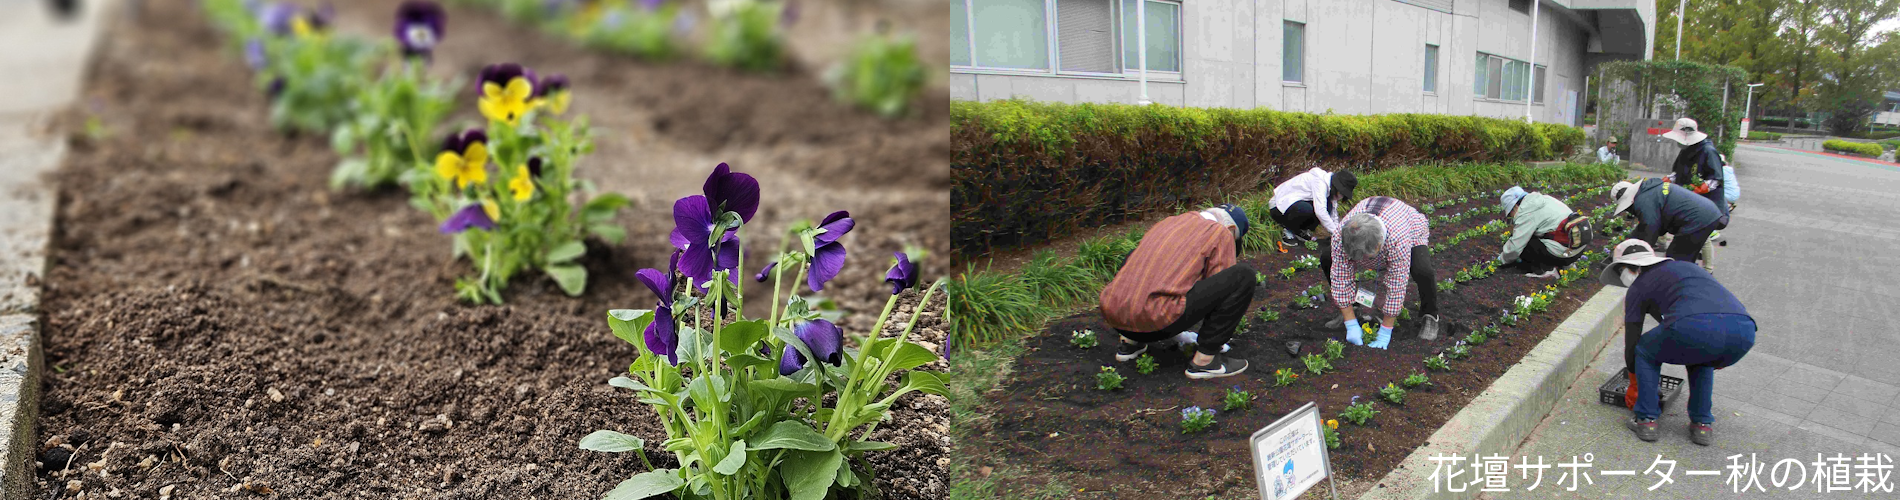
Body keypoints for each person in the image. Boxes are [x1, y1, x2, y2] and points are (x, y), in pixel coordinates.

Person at [1598, 239, 1755, 445]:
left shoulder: (1639, 286)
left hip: (1699, 327)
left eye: (1620, 272)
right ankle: (1702, 425)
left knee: (1644, 350)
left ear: (1629, 268)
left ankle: (1646, 419)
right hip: (1743, 333)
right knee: (1702, 357)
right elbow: (1677, 318)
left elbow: (1633, 339)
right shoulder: (1685, 269)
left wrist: (1636, 383)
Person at [1098, 204, 1253, 379]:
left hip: (1115, 317)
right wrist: (1214, 336)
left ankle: (1130, 343)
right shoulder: (1220, 232)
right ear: (1231, 228)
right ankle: (1205, 361)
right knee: (1242, 276)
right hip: (1156, 323)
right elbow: (1220, 283)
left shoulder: (1168, 222)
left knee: (1136, 257)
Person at [1318, 196, 1441, 347]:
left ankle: (1430, 315)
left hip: (1411, 227)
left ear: (1379, 245)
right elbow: (1340, 276)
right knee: (1327, 258)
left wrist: (1385, 331)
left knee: (1423, 270)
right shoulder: (1341, 235)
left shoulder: (1397, 239)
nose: (1362, 259)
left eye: (1366, 256)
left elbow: (1397, 284)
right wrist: (1350, 323)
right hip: (1370, 225)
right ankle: (1354, 309)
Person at [1607, 178, 1723, 265]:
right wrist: (1629, 241)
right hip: (1707, 213)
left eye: (1626, 207)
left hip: (1697, 219)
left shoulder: (1642, 201)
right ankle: (1686, 282)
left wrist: (1638, 255)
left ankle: (1680, 288)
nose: (1629, 211)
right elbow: (1648, 225)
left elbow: (1651, 228)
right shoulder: (1648, 191)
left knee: (1676, 259)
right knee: (1685, 257)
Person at [1496, 186, 1589, 278]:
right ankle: (1568, 266)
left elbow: (1515, 247)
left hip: (1563, 254)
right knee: (1550, 233)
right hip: (1578, 250)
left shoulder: (1525, 212)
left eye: (1510, 214)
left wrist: (1501, 260)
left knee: (1527, 244)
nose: (1512, 217)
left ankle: (1546, 270)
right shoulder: (1546, 199)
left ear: (1515, 206)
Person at [1268, 168, 1357, 245]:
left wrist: (1338, 232)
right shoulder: (1319, 183)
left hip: (1293, 206)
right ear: (1337, 187)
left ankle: (1300, 231)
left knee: (1328, 206)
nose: (1341, 197)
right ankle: (1288, 230)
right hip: (1278, 208)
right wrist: (1336, 234)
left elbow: (1333, 213)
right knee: (1305, 209)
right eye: (1342, 193)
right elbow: (1320, 211)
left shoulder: (1329, 189)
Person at [1663, 118, 1728, 220]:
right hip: (1689, 202)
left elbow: (1715, 179)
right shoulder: (1686, 150)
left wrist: (1700, 187)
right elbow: (1679, 171)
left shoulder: (1708, 151)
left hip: (1708, 206)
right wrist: (1669, 179)